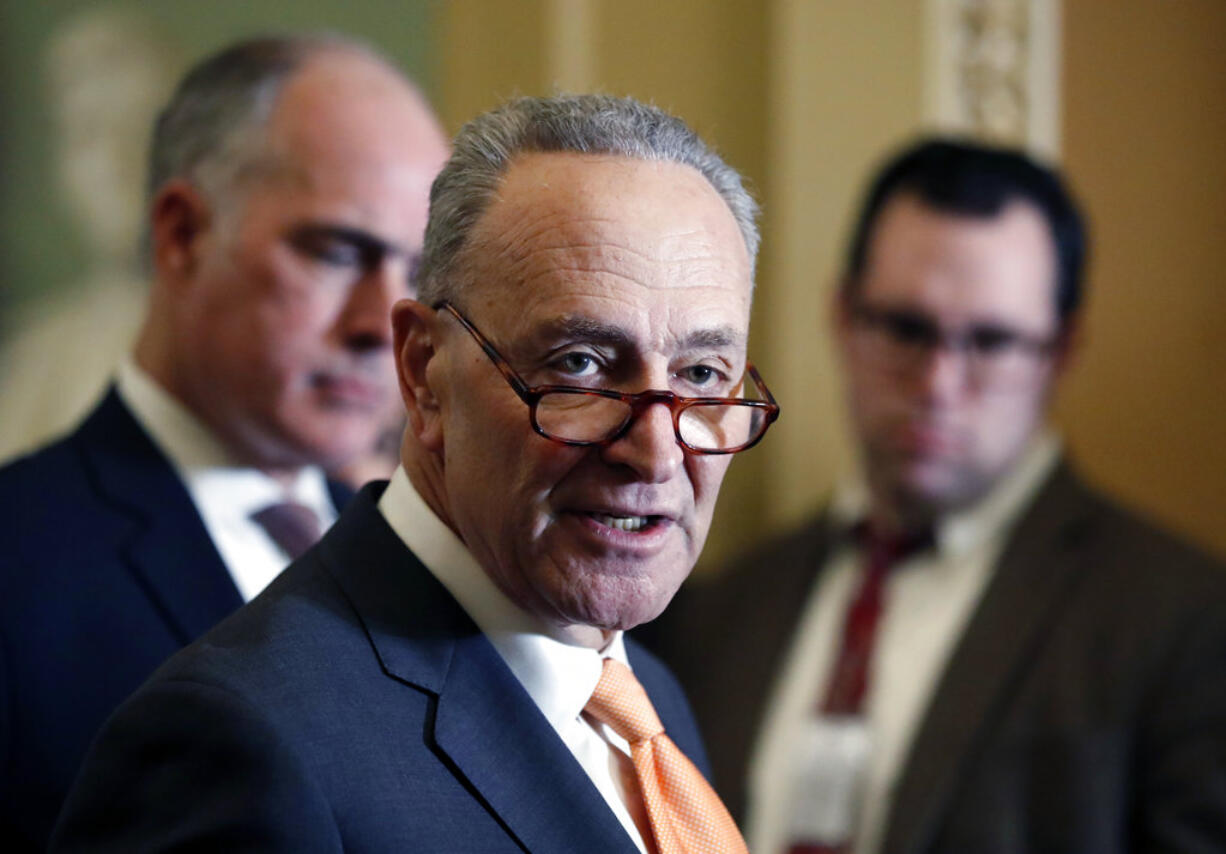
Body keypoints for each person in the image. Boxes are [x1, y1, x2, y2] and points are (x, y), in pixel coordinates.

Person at [50, 93, 779, 853]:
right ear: (424, 370)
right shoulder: (242, 745)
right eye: (581, 366)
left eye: (702, 374)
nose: (658, 453)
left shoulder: (644, 701)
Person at [653, 138, 1226, 853]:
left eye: (990, 342)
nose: (939, 385)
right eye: (906, 329)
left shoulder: (1184, 621)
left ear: (1062, 350)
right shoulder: (722, 604)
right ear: (842, 317)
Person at [0, 34, 450, 850]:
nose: (382, 328)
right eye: (339, 252)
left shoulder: (425, 571)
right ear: (181, 234)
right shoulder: (17, 555)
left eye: (418, 275)